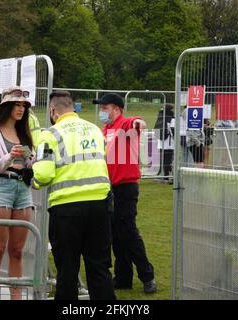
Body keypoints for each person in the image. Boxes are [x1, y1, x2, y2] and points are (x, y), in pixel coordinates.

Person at [32, 91, 115, 300]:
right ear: (72, 108)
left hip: (66, 208)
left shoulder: (49, 134)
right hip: (99, 205)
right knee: (99, 268)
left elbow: (43, 173)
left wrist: (34, 181)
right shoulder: (95, 130)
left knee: (67, 270)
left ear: (53, 111)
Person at [93, 93, 157, 294]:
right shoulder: (104, 130)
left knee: (128, 231)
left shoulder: (124, 125)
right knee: (115, 234)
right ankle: (123, 277)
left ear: (117, 109)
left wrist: (139, 122)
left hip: (125, 187)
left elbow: (137, 123)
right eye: (101, 108)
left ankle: (147, 275)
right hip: (109, 188)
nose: (102, 111)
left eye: (105, 108)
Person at [0, 86, 35, 300]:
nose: (20, 109)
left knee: (17, 250)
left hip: (23, 187)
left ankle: (16, 297)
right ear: (6, 106)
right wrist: (11, 156)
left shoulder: (24, 132)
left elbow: (31, 162)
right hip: (0, 186)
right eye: (16, 105)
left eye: (23, 106)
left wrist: (32, 160)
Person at [154, 104, 175, 179]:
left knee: (162, 159)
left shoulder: (159, 117)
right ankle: (167, 175)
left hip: (160, 142)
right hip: (168, 143)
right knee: (168, 160)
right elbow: (173, 130)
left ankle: (161, 173)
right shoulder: (171, 118)